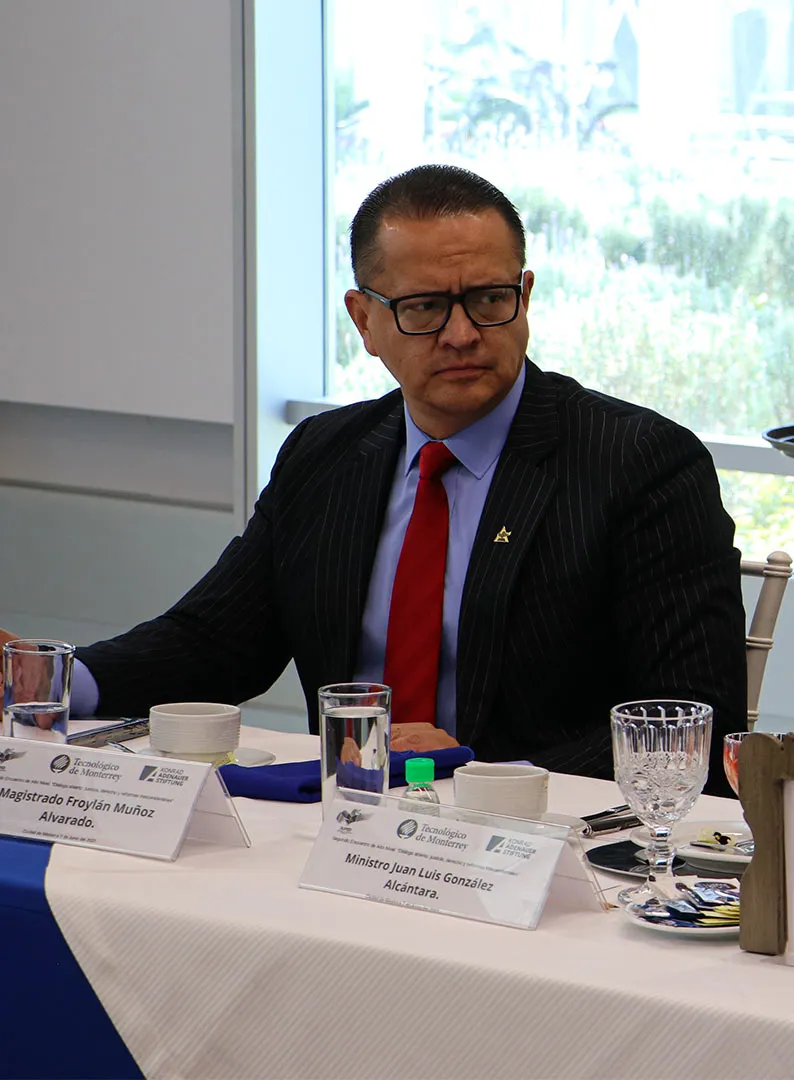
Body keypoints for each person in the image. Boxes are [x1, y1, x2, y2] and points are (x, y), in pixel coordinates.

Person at [0, 165, 745, 784]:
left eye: (489, 300)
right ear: (364, 321)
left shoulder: (639, 463)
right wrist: (47, 680)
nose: (462, 334)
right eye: (424, 307)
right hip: (345, 827)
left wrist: (476, 776)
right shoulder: (326, 454)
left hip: (542, 844)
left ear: (525, 296)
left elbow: (688, 722)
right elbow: (217, 641)